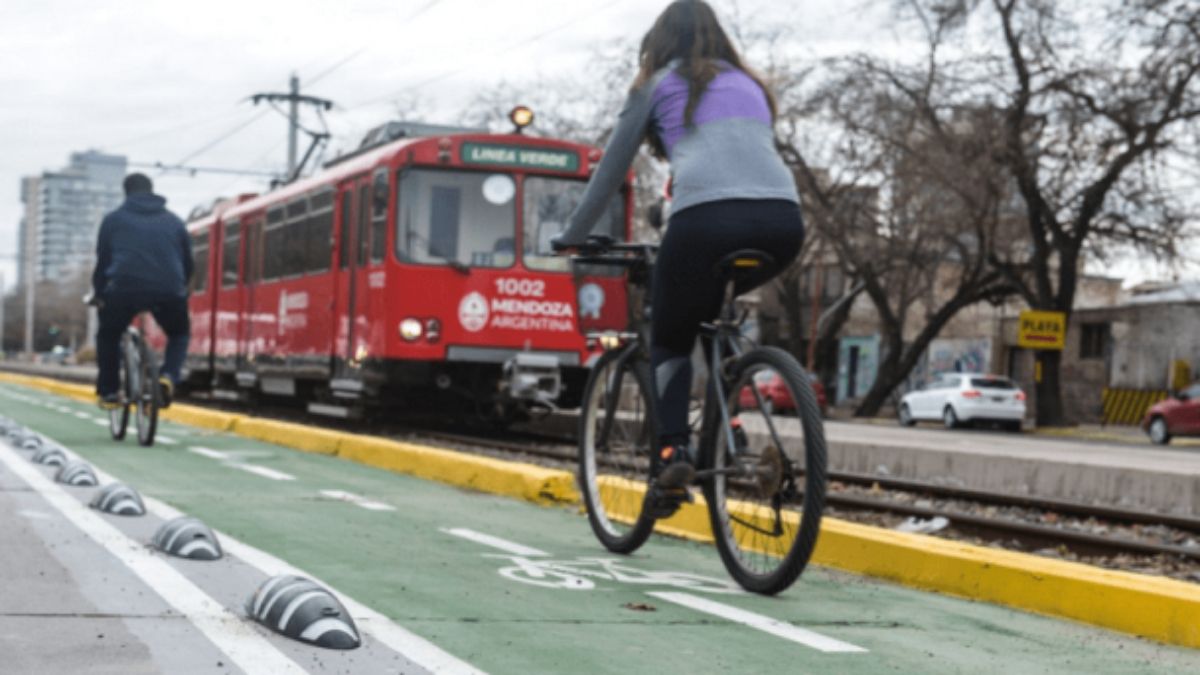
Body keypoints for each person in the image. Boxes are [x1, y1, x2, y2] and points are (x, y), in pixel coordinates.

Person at [553, 0, 805, 515]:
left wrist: (572, 236)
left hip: (703, 222)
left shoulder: (656, 83)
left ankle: (673, 453)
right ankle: (729, 404)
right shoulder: (752, 85)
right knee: (711, 312)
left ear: (657, 43)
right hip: (783, 221)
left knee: (669, 337)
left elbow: (611, 170)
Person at [92, 173, 193, 409]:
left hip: (122, 289)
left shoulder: (113, 220)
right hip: (169, 290)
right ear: (152, 190)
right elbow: (188, 262)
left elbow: (103, 262)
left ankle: (108, 392)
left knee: (108, 335)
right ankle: (168, 376)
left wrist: (99, 293)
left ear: (125, 192)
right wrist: (182, 289)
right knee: (179, 333)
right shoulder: (175, 222)